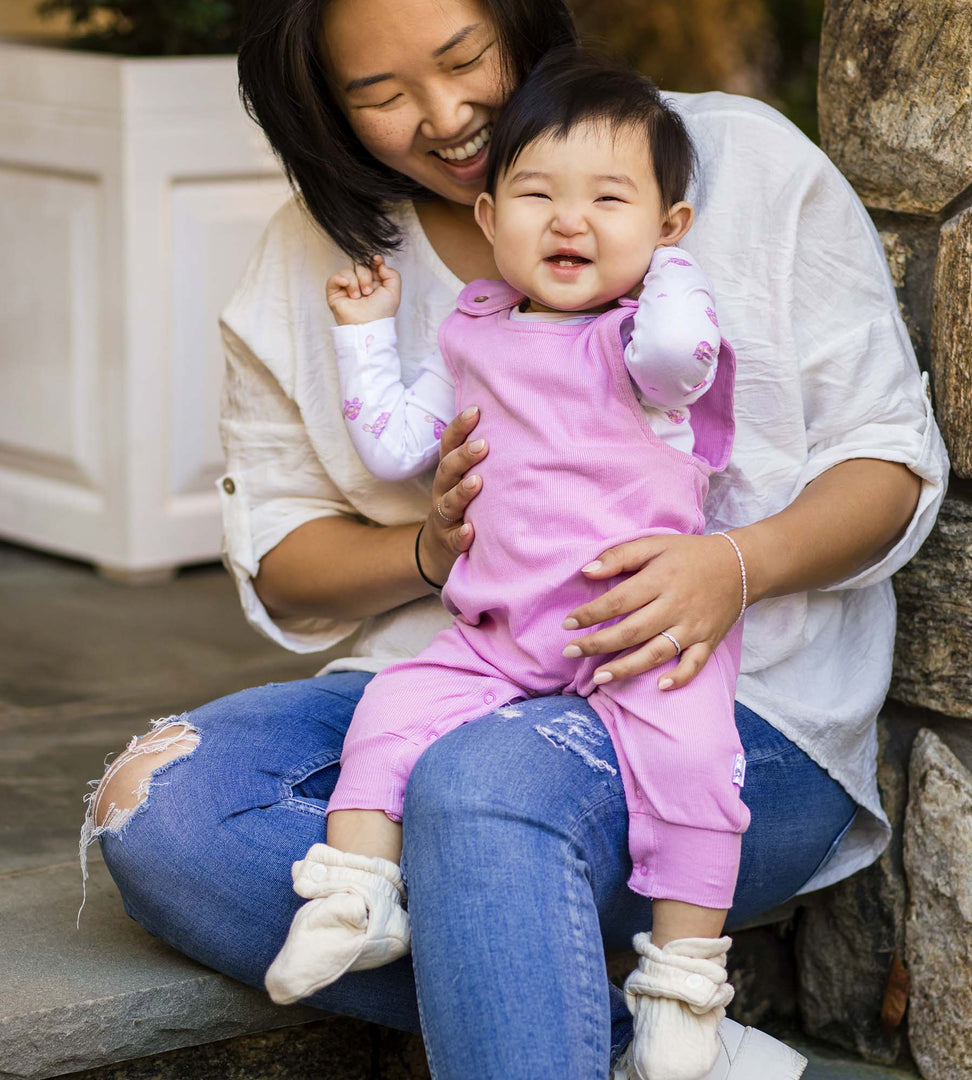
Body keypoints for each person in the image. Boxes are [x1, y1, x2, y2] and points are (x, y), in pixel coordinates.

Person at [81, 0, 948, 1077]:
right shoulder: (325, 256)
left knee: (481, 785)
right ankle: (636, 1034)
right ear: (324, 107)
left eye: (463, 59)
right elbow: (284, 558)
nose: (446, 116)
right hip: (461, 665)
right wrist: (429, 552)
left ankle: (545, 965)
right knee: (162, 811)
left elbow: (887, 463)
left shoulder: (738, 163)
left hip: (730, 709)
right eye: (382, 95)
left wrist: (736, 565)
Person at [265, 50, 748, 1080]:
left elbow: (680, 358)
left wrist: (668, 266)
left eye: (608, 200)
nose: (570, 222)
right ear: (488, 218)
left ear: (667, 226)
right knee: (389, 711)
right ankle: (355, 895)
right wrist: (364, 336)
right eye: (537, 196)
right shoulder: (475, 327)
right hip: (496, 632)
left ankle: (683, 983)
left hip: (639, 628)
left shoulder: (650, 341)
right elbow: (399, 447)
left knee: (699, 768)